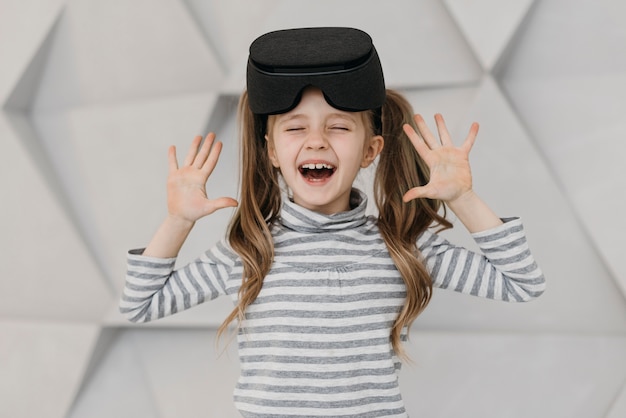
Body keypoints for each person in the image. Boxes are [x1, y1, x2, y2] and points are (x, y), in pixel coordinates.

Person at [120, 27, 545, 417]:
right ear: (271, 151)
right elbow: (139, 305)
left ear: (370, 150)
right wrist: (178, 222)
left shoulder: (401, 248)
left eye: (338, 126)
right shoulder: (250, 250)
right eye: (295, 128)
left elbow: (521, 282)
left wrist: (464, 199)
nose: (316, 140)